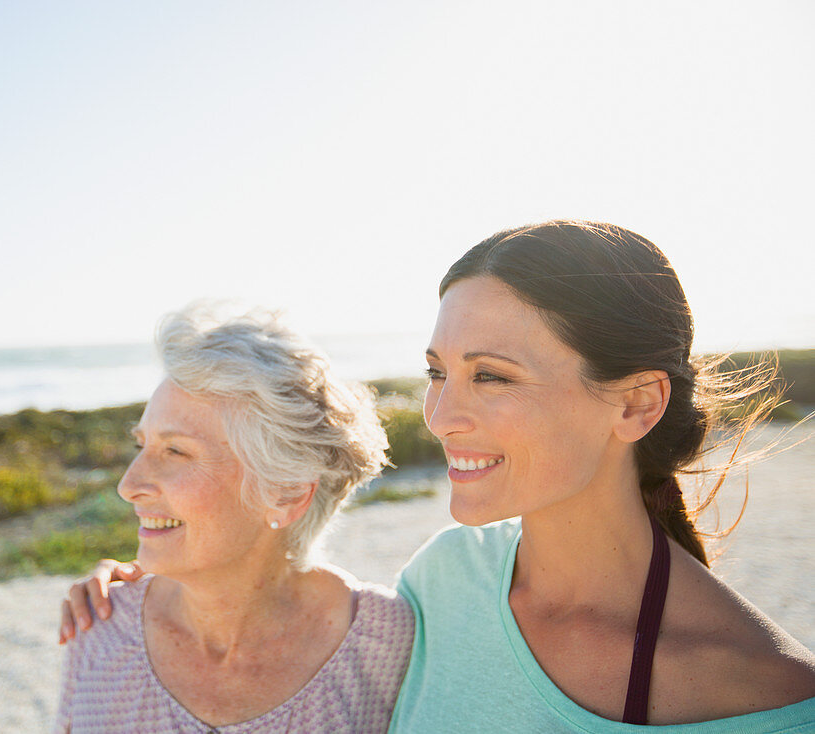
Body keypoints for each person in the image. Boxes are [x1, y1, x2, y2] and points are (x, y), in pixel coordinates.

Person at [61, 221, 815, 731]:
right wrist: (160, 572)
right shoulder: (443, 585)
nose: (441, 415)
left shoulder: (771, 695)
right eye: (436, 373)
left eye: (490, 376)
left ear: (637, 403)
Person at [53, 305, 414, 733]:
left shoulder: (387, 645)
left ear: (287, 492)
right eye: (141, 446)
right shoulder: (99, 629)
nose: (129, 485)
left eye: (175, 451)